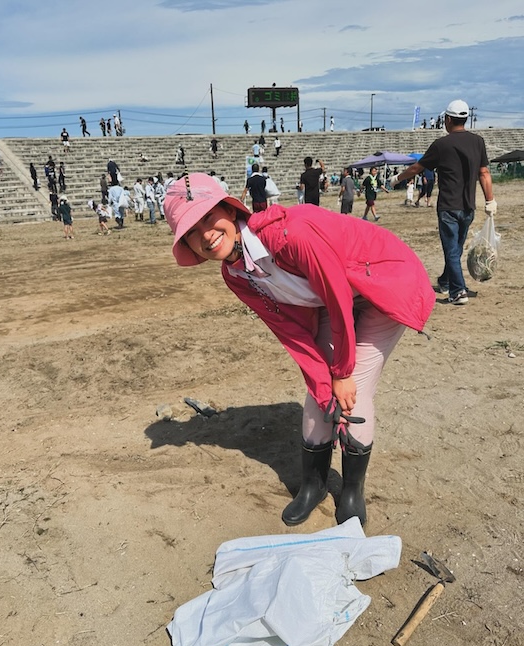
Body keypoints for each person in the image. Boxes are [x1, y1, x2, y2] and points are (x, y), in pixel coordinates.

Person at [163, 173, 435, 527]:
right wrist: (323, 386)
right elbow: (287, 329)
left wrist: (342, 373)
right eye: (191, 231)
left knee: (354, 391)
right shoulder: (235, 275)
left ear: (229, 211)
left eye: (208, 217)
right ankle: (313, 485)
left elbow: (337, 295)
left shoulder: (289, 235)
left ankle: (352, 490)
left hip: (380, 282)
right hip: (327, 298)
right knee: (319, 395)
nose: (205, 234)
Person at [392, 99, 496, 306]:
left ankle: (458, 291)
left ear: (448, 119)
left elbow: (417, 168)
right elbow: (484, 172)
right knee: (455, 249)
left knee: (451, 250)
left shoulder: (441, 145)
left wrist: (398, 178)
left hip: (449, 205)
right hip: (468, 205)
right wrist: (490, 200)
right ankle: (445, 281)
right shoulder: (478, 142)